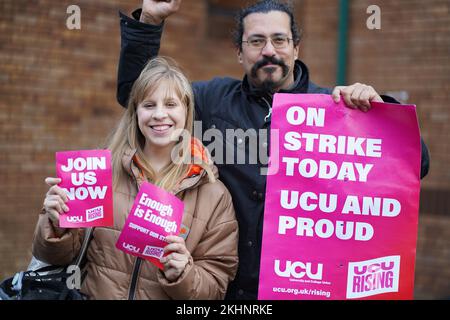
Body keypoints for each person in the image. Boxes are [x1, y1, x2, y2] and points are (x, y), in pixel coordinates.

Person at [116, 0, 430, 299]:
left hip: (303, 288)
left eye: (279, 40)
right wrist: (150, 22)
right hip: (227, 291)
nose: (269, 51)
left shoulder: (336, 111)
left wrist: (379, 111)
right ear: (239, 53)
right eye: (256, 41)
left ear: (296, 48)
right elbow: (139, 98)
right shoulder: (211, 102)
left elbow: (416, 165)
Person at [32, 57, 239, 300]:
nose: (160, 114)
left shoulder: (214, 195)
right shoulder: (100, 172)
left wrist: (184, 274)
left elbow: (215, 288)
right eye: (149, 105)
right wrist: (57, 224)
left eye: (171, 104)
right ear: (136, 112)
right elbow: (57, 257)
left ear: (187, 111)